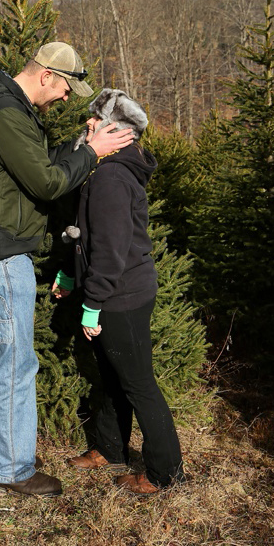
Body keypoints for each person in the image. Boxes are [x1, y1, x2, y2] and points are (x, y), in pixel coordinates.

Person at [0, 42, 135, 497]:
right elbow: (47, 182)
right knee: (15, 362)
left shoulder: (5, 108)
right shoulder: (6, 114)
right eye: (68, 88)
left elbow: (31, 165)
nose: (68, 98)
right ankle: (11, 472)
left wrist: (72, 149)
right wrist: (92, 152)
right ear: (48, 75)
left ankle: (3, 459)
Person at [53, 89, 186, 495]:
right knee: (114, 375)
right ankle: (110, 449)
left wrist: (92, 303)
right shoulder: (103, 170)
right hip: (117, 290)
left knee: (139, 384)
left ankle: (166, 474)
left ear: (118, 132)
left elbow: (109, 254)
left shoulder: (110, 178)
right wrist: (73, 276)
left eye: (97, 120)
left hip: (121, 296)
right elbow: (89, 239)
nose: (87, 125)